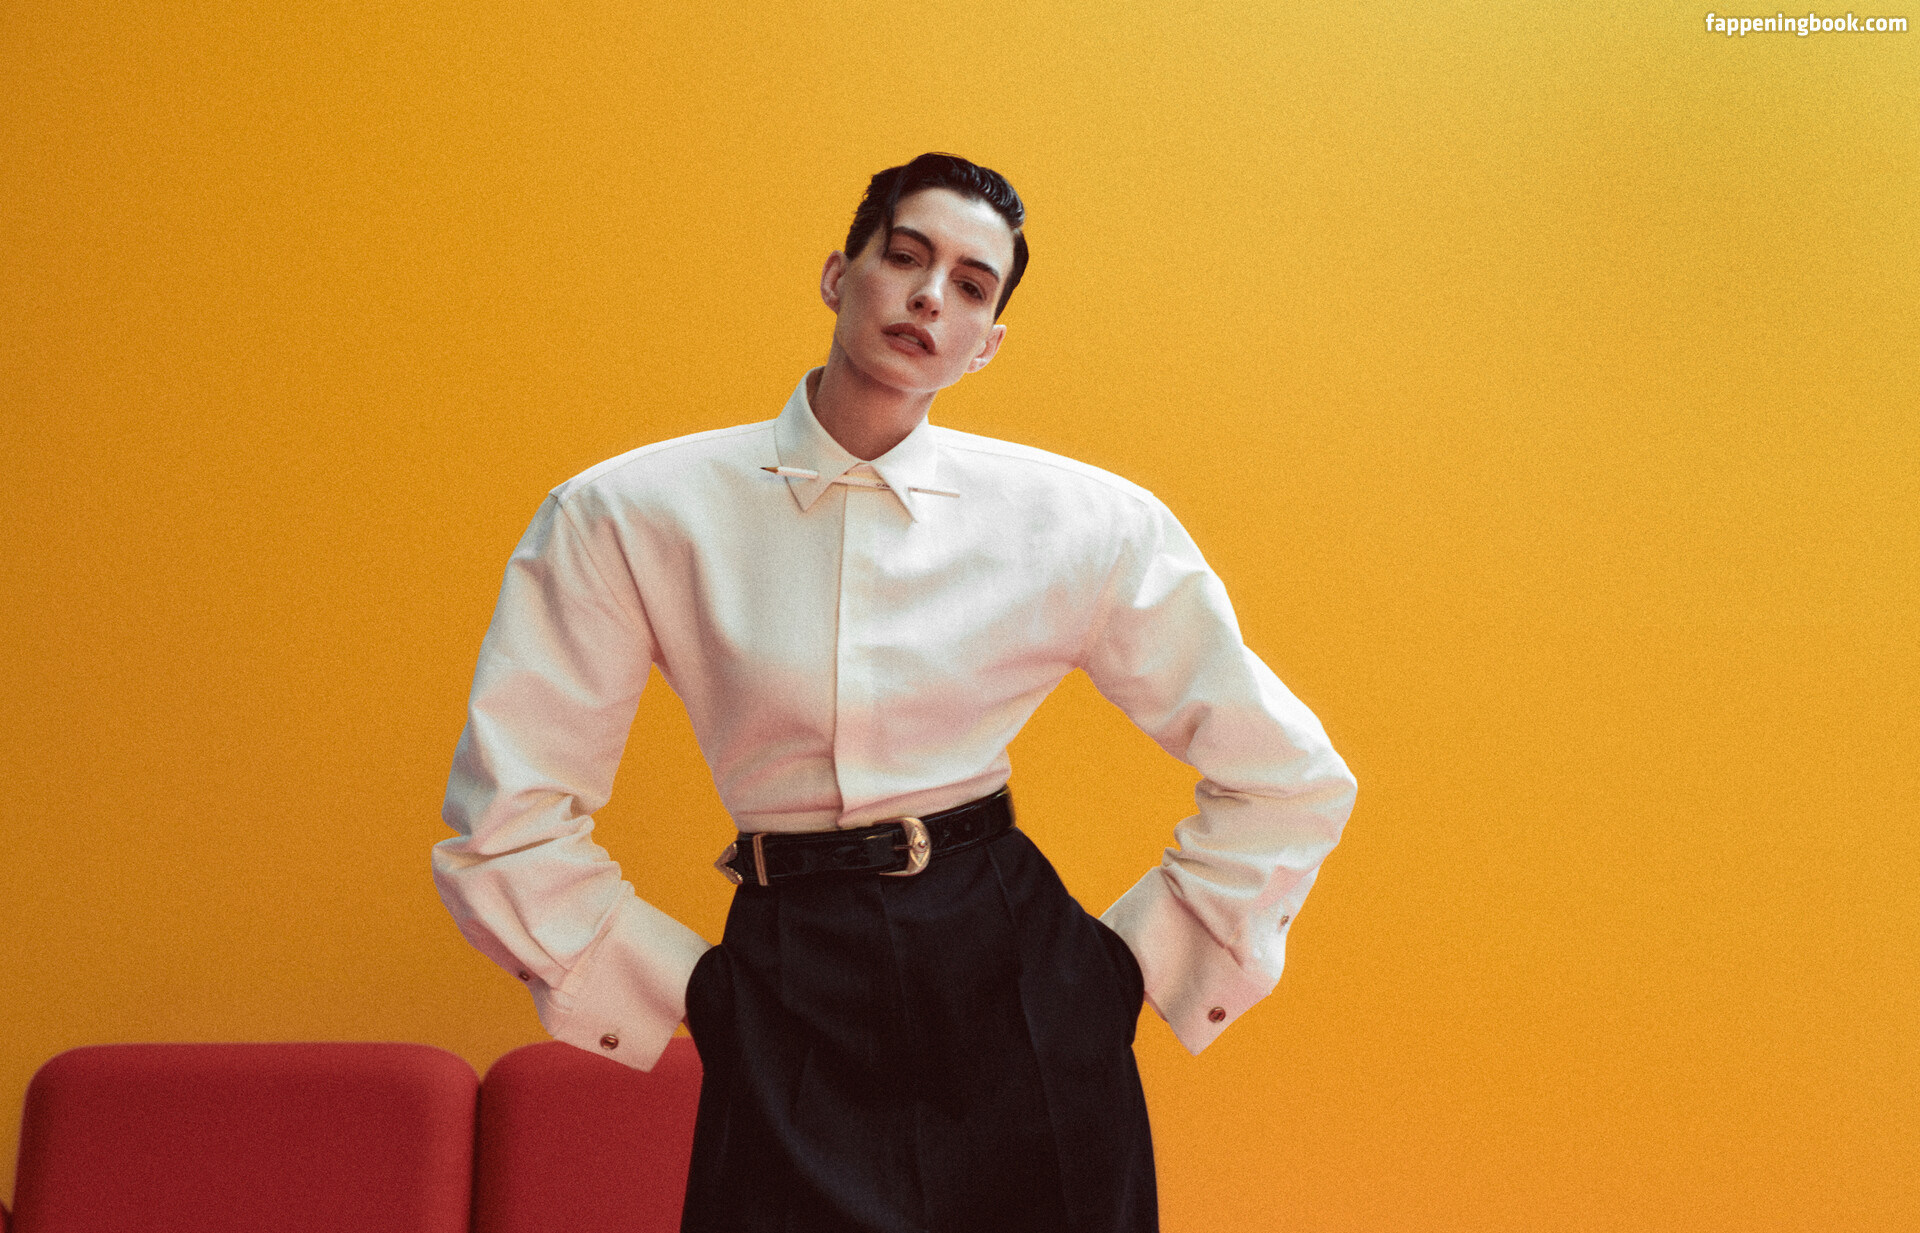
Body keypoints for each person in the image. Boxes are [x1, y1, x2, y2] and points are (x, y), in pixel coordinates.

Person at [435, 152, 1357, 1233]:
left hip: (1016, 980)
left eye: (970, 285)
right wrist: (691, 991)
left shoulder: (1084, 521)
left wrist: (1125, 969)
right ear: (840, 274)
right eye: (906, 257)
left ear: (988, 341)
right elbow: (506, 821)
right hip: (788, 983)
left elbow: (1287, 777)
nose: (929, 297)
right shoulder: (628, 513)